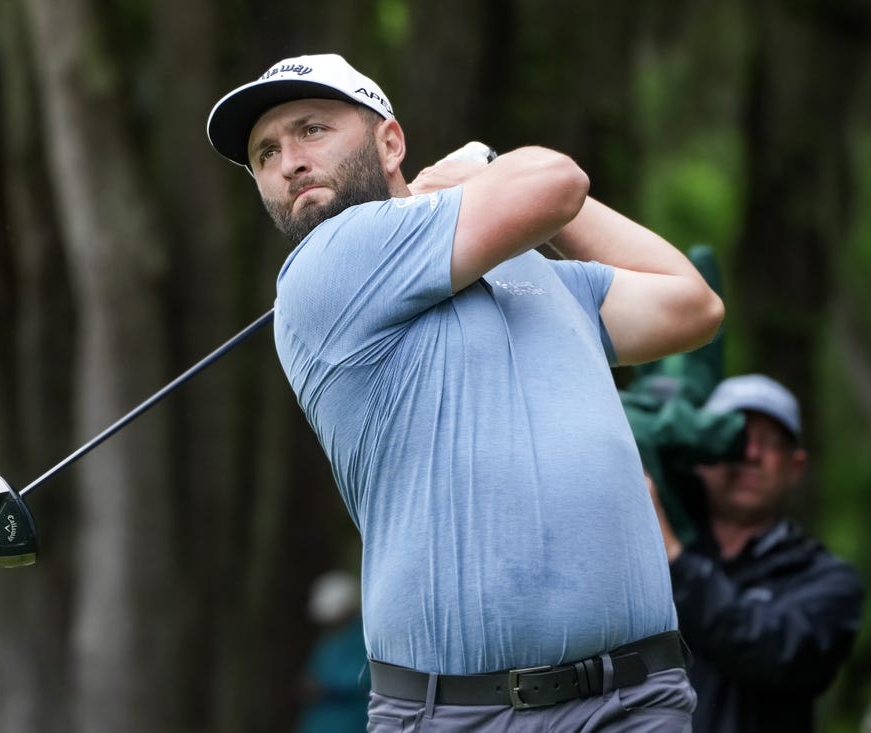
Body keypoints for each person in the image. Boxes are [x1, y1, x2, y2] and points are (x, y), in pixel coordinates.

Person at [207, 53, 725, 731]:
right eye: (266, 152)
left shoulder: (536, 275)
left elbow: (692, 305)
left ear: (389, 141)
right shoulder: (326, 266)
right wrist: (486, 169)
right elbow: (554, 179)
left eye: (311, 129)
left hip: (635, 701)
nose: (288, 161)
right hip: (461, 713)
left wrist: (505, 204)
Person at [647, 374, 865, 733]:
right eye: (735, 438)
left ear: (795, 467)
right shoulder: (647, 558)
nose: (750, 454)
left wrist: (675, 559)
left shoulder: (827, 579)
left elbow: (775, 652)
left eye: (770, 443)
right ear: (701, 454)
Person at [295, 570, 370, 733]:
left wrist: (327, 689)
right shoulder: (328, 639)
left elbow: (363, 679)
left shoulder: (363, 637)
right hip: (321, 719)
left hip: (351, 720)